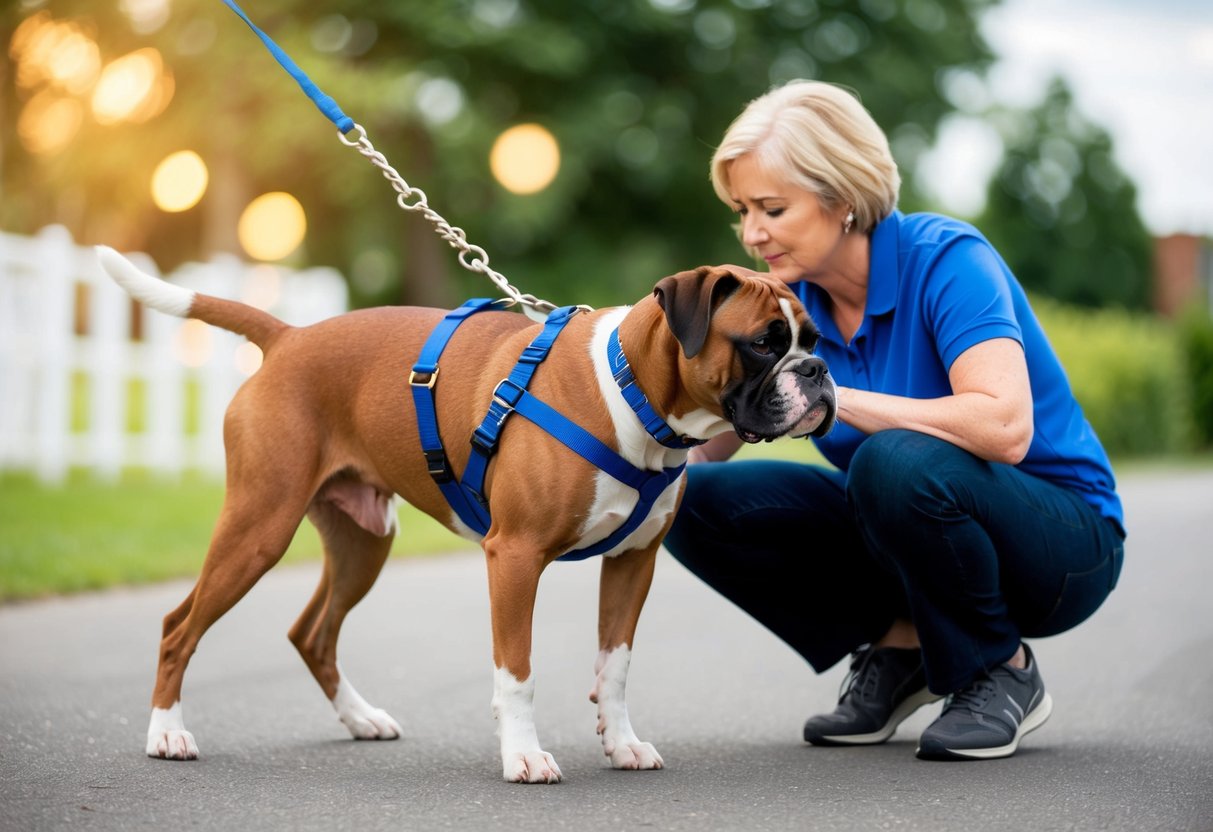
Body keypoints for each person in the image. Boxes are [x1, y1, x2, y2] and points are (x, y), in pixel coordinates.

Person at [663, 80, 1126, 761]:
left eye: (771, 208)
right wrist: (622, 483)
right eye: (741, 210)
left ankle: (999, 670)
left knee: (891, 460)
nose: (750, 232)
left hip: (1060, 544)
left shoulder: (945, 259)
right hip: (910, 531)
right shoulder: (787, 306)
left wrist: (830, 400)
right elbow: (707, 442)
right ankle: (902, 647)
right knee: (687, 498)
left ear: (841, 198)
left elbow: (1004, 428)